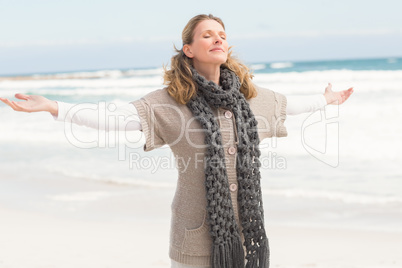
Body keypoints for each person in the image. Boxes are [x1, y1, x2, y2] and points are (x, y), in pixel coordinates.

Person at [0, 14, 353, 268]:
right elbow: (114, 118)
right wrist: (53, 107)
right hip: (194, 239)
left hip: (246, 237)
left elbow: (289, 106)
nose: (217, 39)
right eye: (207, 35)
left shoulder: (251, 97)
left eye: (222, 34)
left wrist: (327, 101)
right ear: (188, 49)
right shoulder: (169, 101)